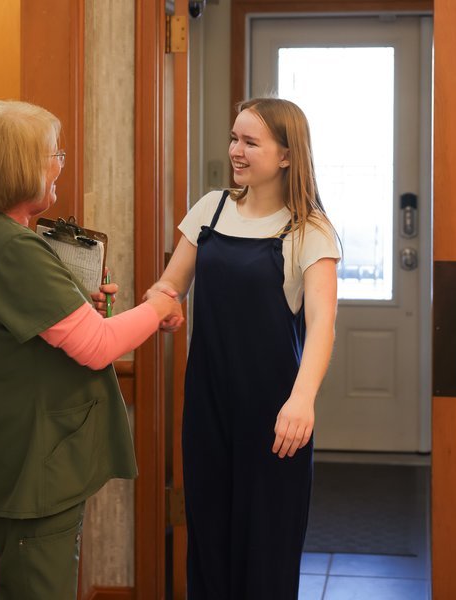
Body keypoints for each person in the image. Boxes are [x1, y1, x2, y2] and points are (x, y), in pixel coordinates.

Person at [0, 99, 181, 600]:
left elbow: (56, 336)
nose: (59, 165)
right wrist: (161, 302)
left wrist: (80, 308)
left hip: (18, 460)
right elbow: (98, 349)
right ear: (17, 169)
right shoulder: (14, 250)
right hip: (34, 468)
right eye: (52, 154)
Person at [150, 97, 340, 599]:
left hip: (276, 415)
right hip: (208, 407)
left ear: (285, 155)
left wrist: (302, 401)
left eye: (250, 142)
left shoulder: (309, 231)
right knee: (210, 543)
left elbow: (323, 326)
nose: (236, 150)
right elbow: (169, 285)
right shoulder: (209, 209)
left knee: (268, 551)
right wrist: (159, 305)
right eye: (234, 138)